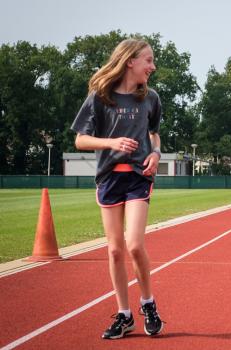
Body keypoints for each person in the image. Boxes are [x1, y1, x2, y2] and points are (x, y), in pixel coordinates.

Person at [71, 38, 164, 339]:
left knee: (134, 244)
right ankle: (124, 315)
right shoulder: (100, 97)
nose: (152, 66)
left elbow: (155, 135)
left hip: (138, 177)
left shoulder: (150, 98)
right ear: (130, 62)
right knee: (114, 251)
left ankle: (148, 304)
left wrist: (156, 154)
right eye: (148, 60)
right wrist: (111, 142)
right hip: (109, 178)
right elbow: (80, 140)